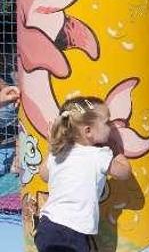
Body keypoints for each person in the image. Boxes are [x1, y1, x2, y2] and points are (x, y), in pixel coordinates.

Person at [35, 97, 131, 252]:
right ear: (88, 131)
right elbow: (124, 173)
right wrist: (117, 150)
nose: (111, 127)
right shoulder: (100, 155)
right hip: (72, 232)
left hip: (47, 226)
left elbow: (44, 174)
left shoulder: (60, 153)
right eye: (107, 122)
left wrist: (52, 147)